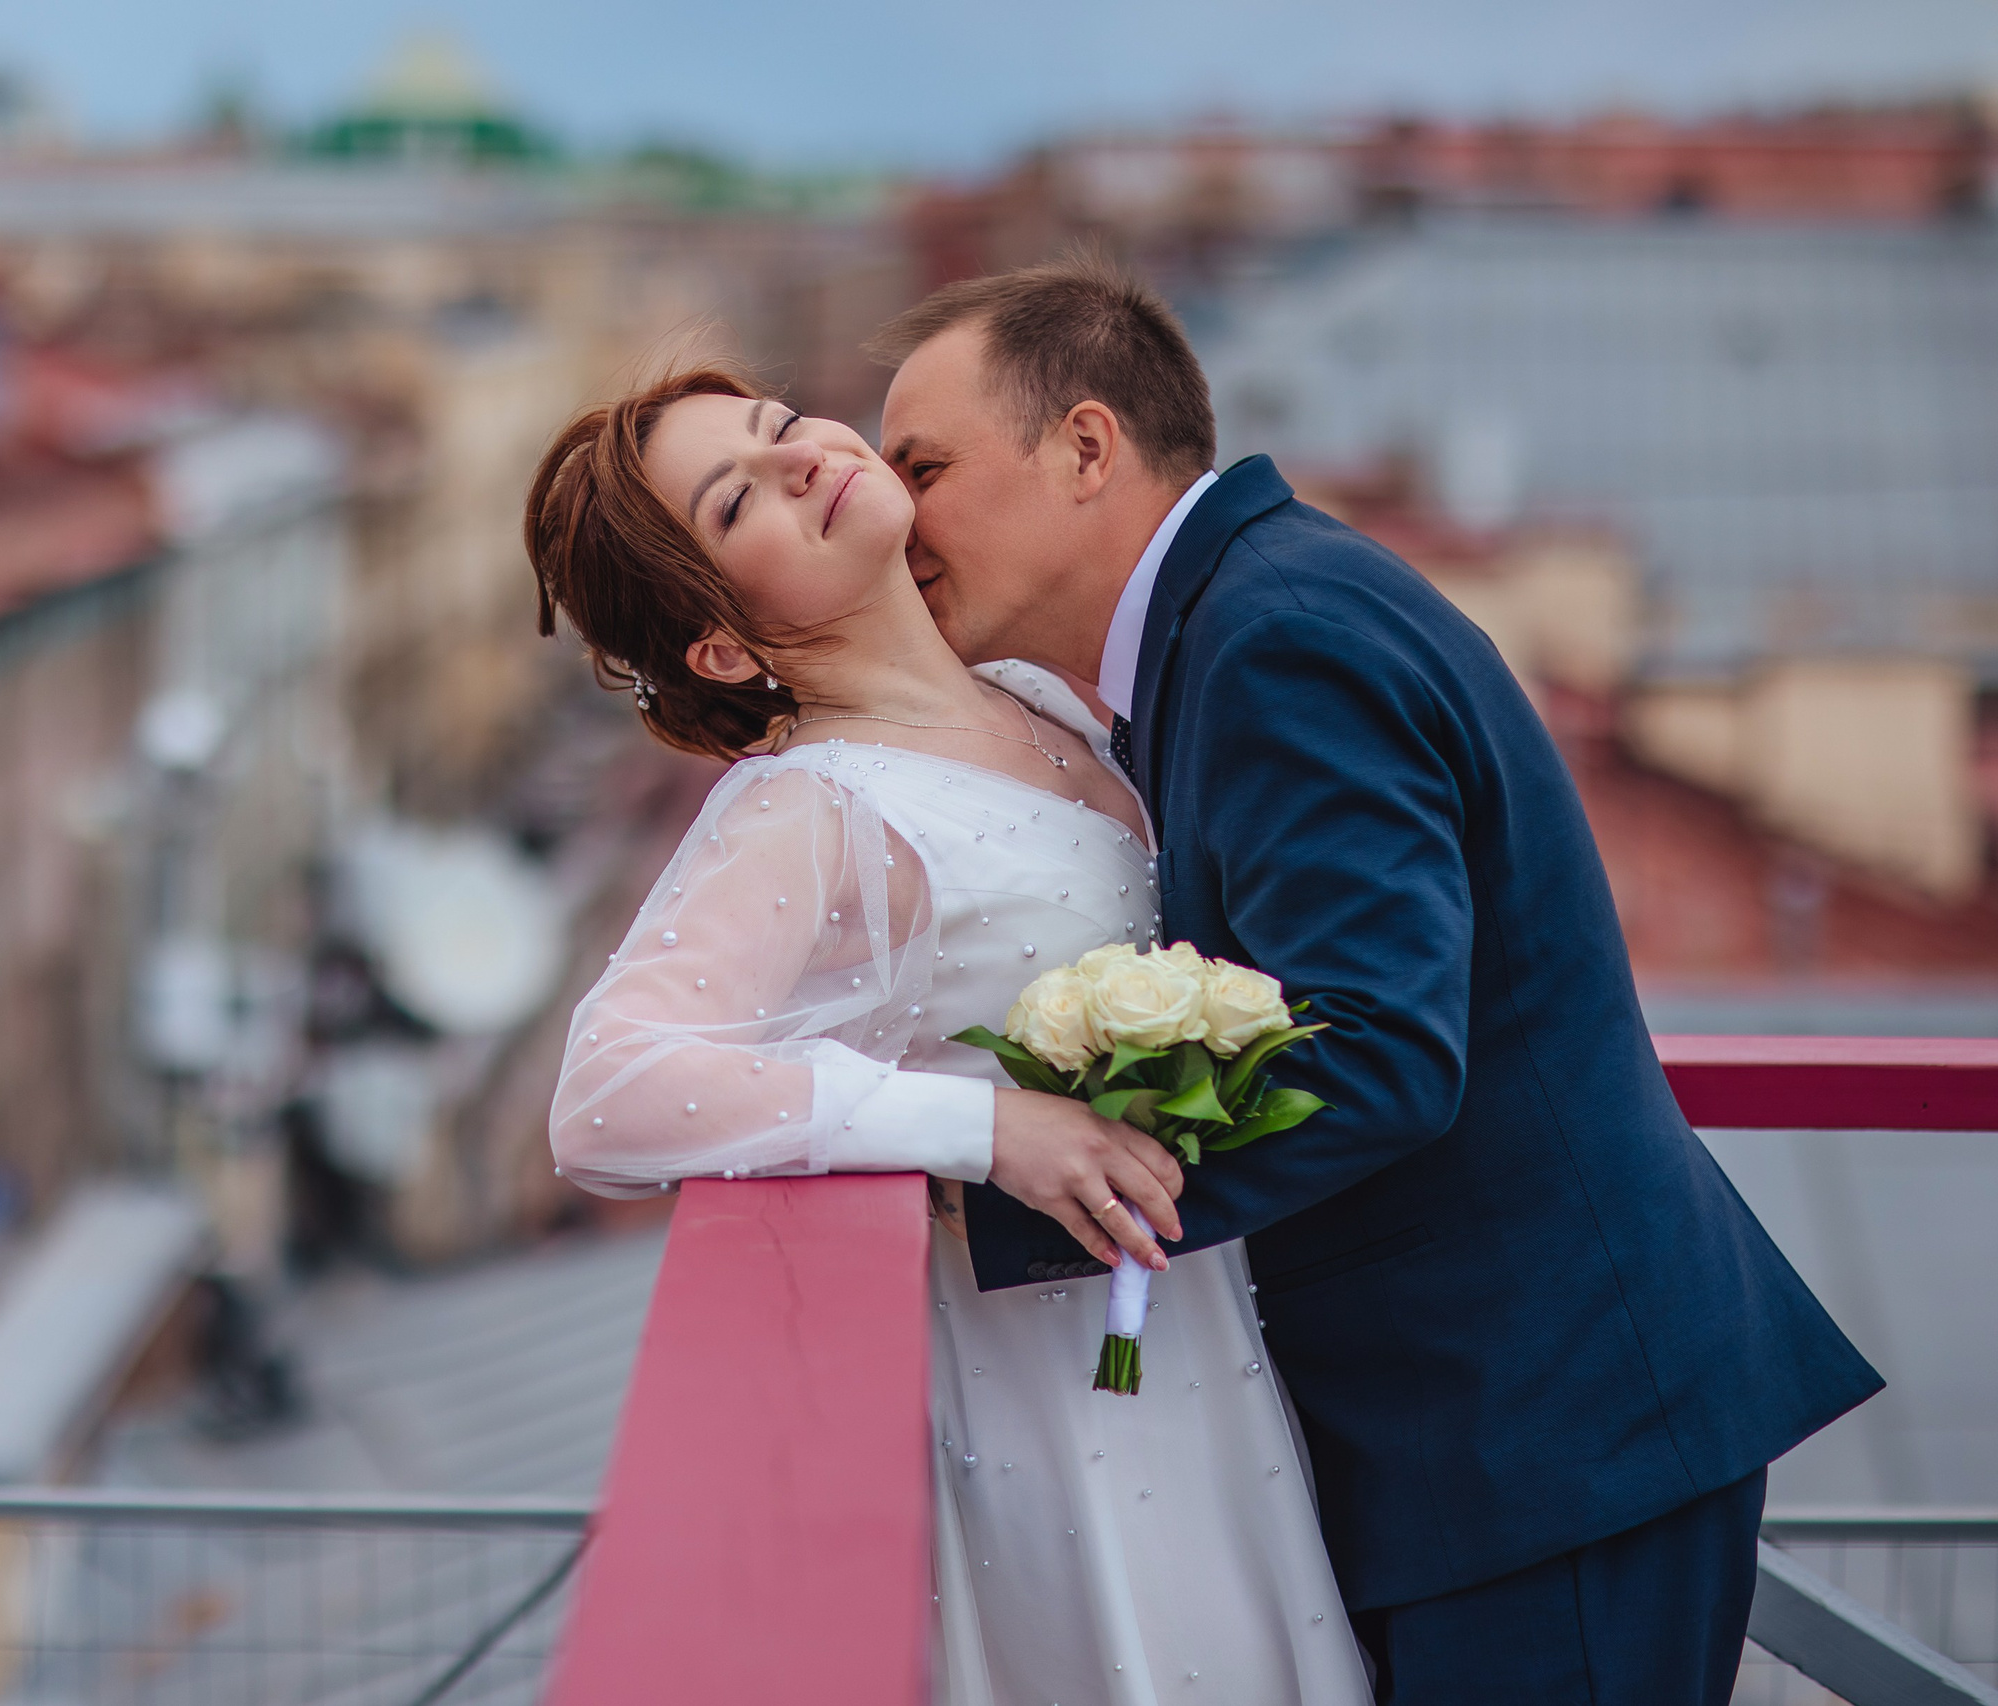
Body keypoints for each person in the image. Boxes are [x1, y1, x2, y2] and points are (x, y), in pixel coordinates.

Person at [868, 255, 1884, 1703]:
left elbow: (1382, 1046)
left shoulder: (1273, 639)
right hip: (1520, 1439)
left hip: (1545, 1443)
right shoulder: (1245, 615)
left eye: (928, 464)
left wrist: (1030, 1188)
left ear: (1085, 447)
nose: (899, 514)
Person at [528, 365, 1374, 1703]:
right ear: (724, 647)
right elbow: (609, 1090)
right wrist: (985, 1127)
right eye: (738, 494)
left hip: (1203, 1338)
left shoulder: (1039, 695)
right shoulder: (808, 805)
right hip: (1056, 1401)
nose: (802, 454)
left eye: (776, 423)